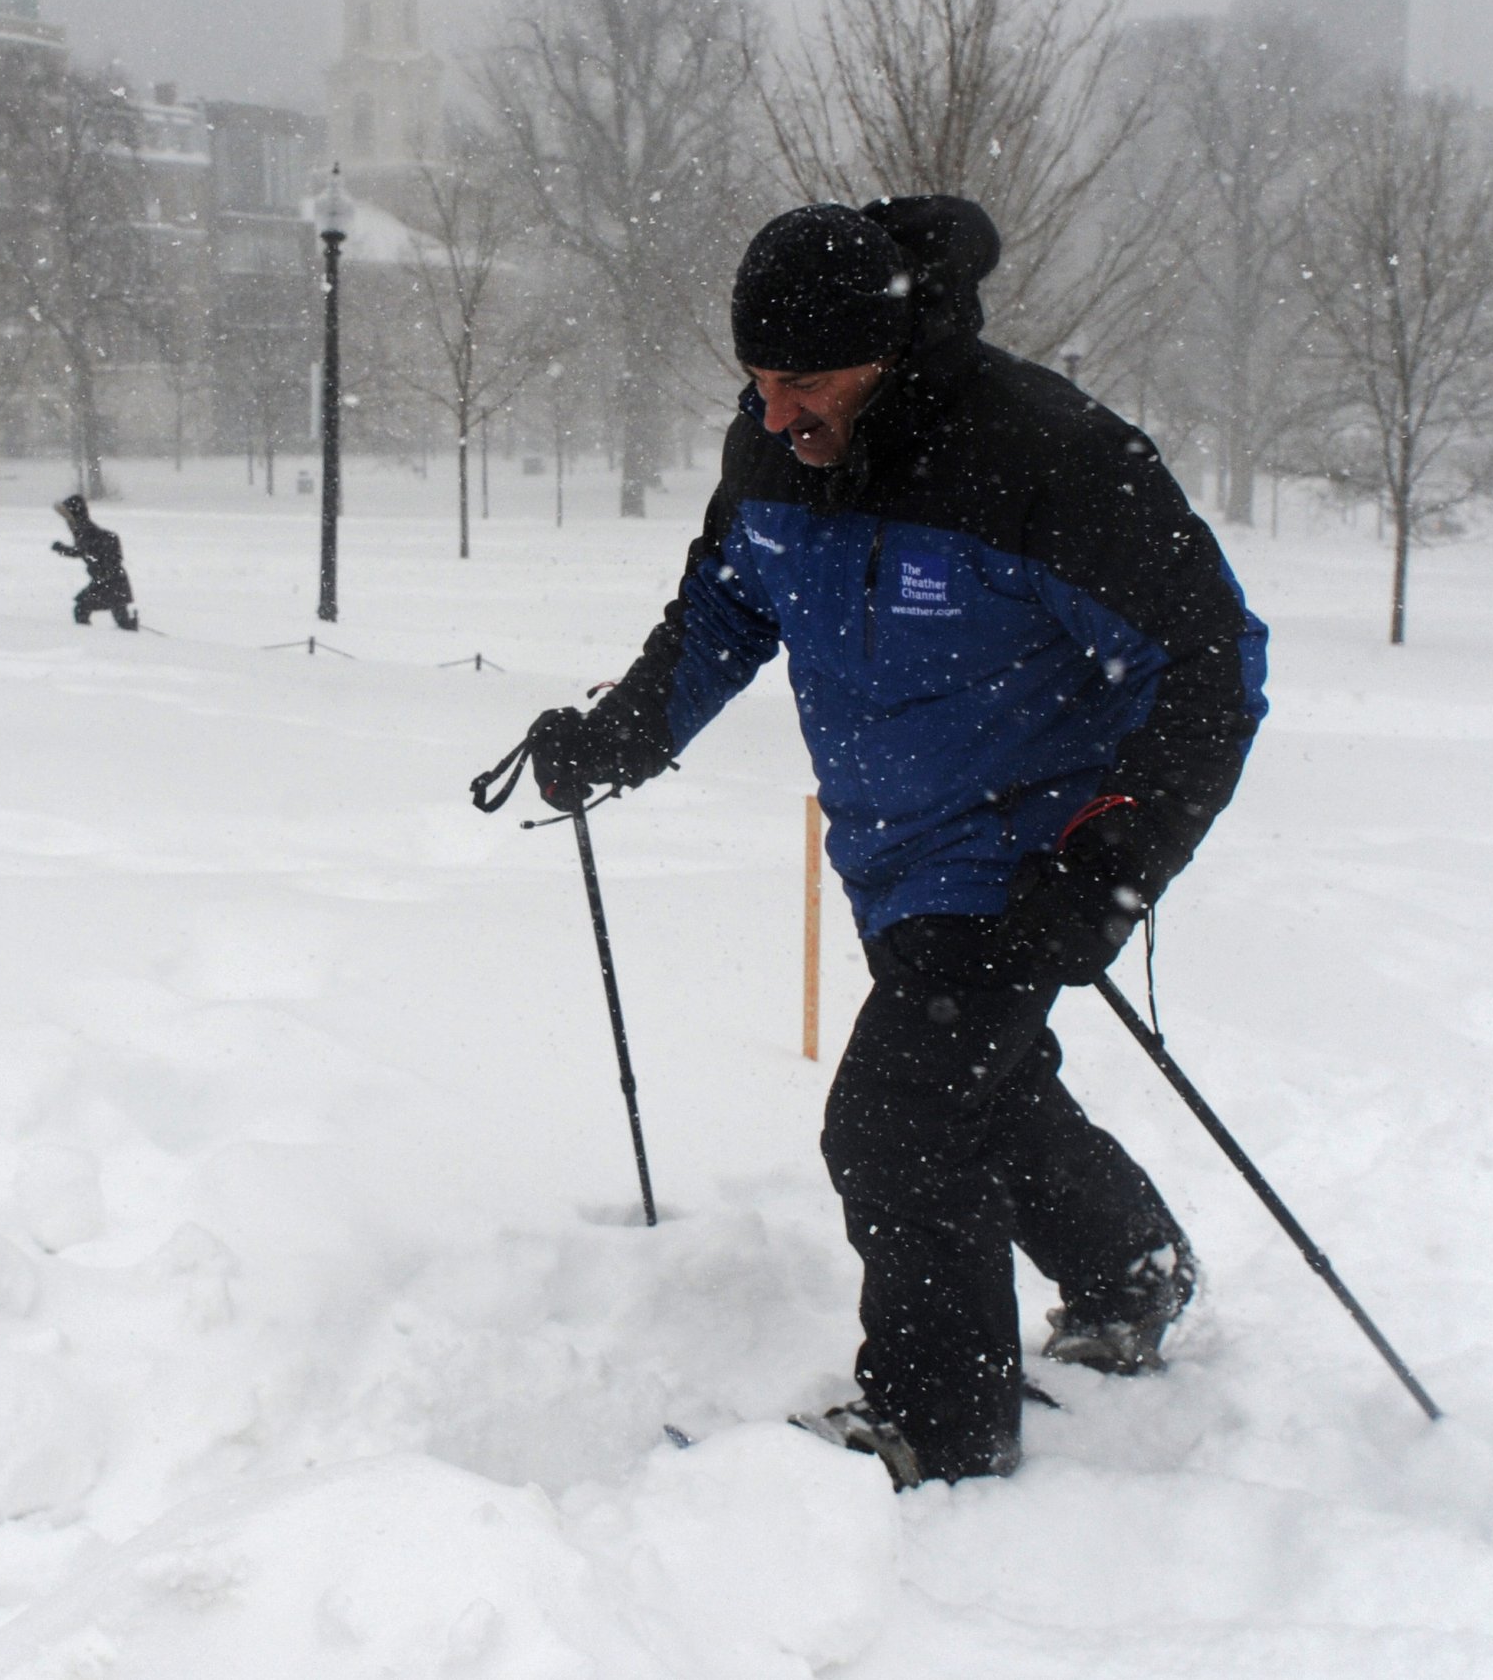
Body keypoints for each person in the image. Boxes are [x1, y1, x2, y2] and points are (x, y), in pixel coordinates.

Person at [494, 195, 1268, 1489]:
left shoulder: (1041, 459)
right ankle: (1132, 1268)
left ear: (887, 356)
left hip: (1033, 858)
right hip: (897, 861)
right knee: (987, 1091)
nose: (776, 414)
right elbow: (721, 615)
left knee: (898, 1119)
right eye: (756, 381)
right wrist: (613, 737)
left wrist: (1110, 857)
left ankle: (941, 1424)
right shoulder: (771, 455)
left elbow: (1210, 662)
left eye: (805, 382)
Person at [52, 495, 138, 631]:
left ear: (75, 513)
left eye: (67, 515)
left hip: (109, 581)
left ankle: (91, 640)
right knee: (118, 615)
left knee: (82, 608)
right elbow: (85, 551)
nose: (66, 520)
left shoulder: (84, 530)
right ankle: (130, 631)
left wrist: (62, 549)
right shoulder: (82, 529)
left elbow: (82, 550)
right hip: (112, 580)